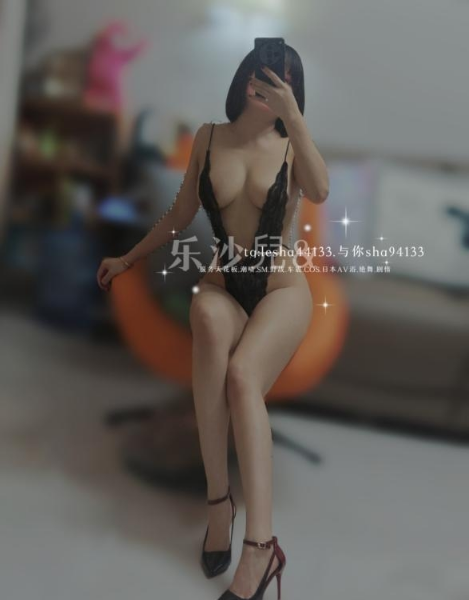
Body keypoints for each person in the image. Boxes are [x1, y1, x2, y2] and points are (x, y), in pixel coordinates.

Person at [97, 44, 329, 600]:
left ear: (293, 92)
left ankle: (260, 548)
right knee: (204, 311)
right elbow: (180, 215)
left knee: (243, 377)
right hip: (226, 284)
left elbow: (320, 191)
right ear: (244, 76)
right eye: (260, 70)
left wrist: (295, 119)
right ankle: (218, 503)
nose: (266, 81)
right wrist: (128, 257)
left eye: (283, 78)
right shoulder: (207, 137)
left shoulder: (292, 146)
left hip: (280, 288)